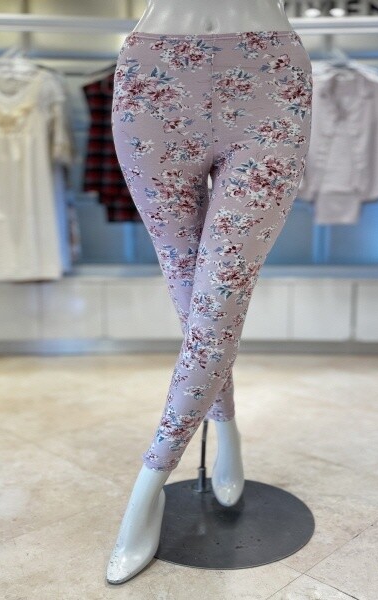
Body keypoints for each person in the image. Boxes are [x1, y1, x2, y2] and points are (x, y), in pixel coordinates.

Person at [107, 0, 312, 584]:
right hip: (152, 77)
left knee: (219, 301)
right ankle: (225, 429)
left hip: (271, 78)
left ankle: (147, 487)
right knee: (190, 299)